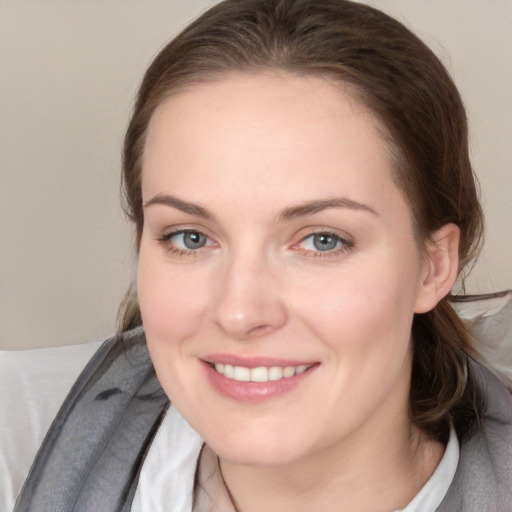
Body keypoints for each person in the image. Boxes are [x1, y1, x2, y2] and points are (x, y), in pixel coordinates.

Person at [3, 0, 512, 510]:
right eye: (191, 237)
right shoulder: (17, 448)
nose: (240, 312)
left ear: (433, 265)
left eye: (322, 240)